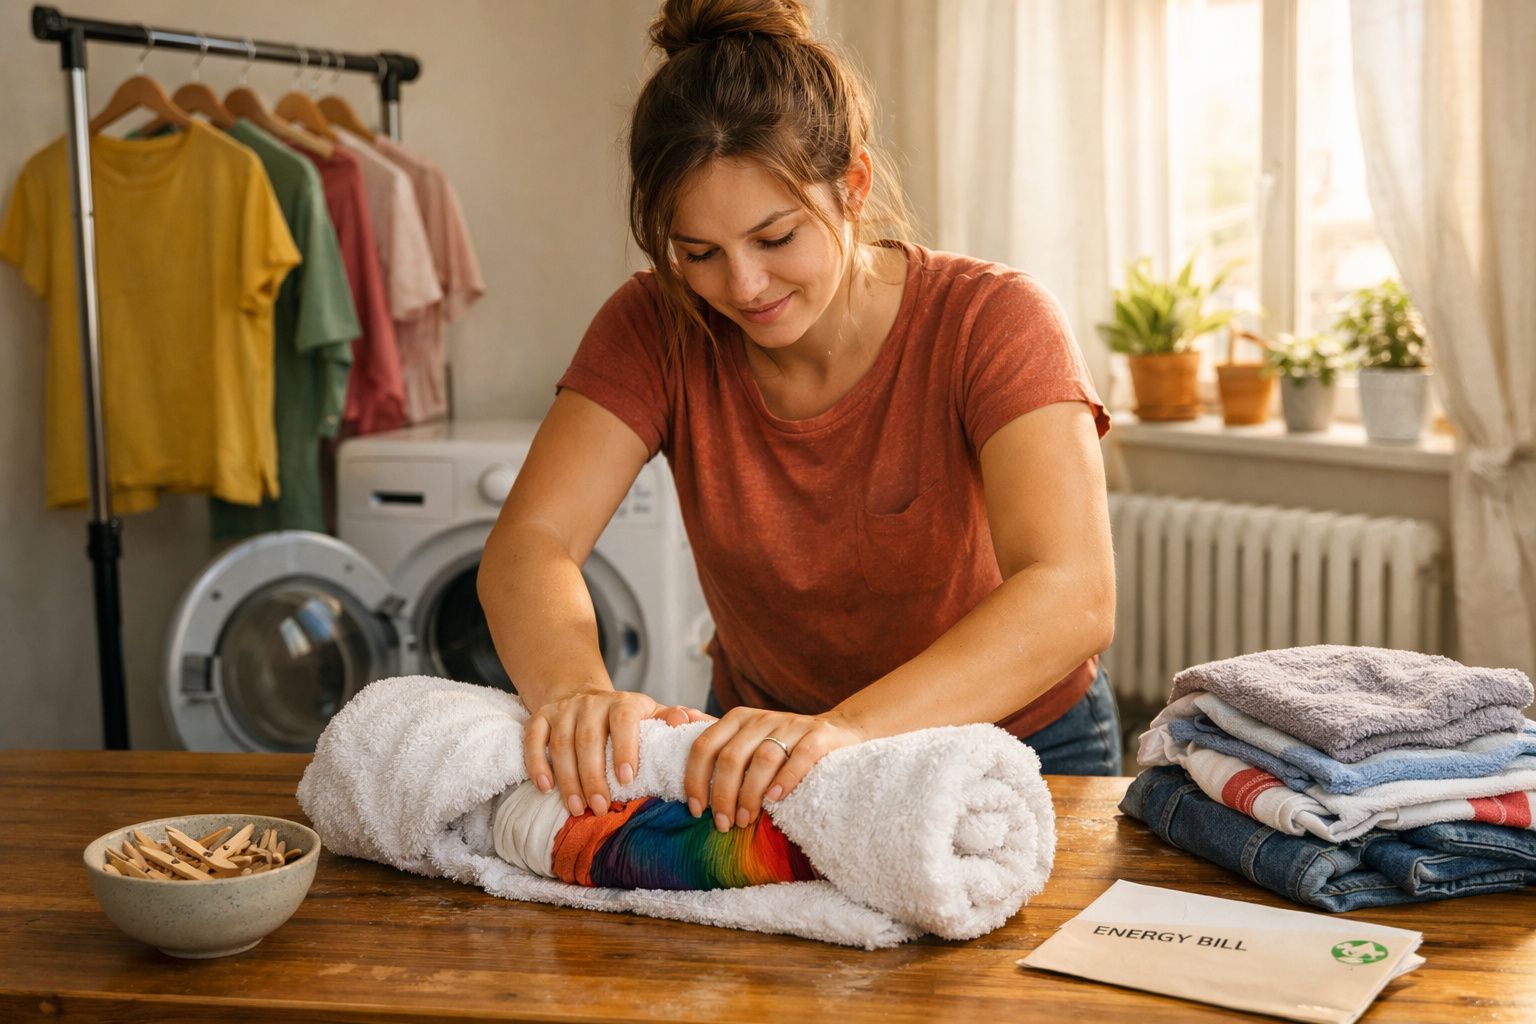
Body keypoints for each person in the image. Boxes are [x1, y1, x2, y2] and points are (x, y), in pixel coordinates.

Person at [478, 0, 1120, 838]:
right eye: (697, 252)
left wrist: (843, 731)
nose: (742, 286)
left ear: (852, 187)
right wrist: (572, 689)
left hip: (1012, 749)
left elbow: (1073, 595)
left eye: (775, 237)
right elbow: (533, 542)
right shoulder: (657, 322)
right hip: (759, 761)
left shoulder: (992, 319)